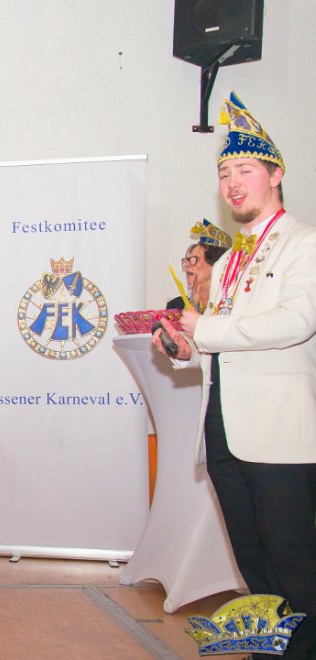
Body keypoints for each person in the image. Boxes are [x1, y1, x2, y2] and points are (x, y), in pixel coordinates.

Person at [154, 92, 316, 658]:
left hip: (278, 434)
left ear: (275, 175)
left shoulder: (304, 243)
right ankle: (270, 649)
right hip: (224, 430)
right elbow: (218, 342)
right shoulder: (230, 261)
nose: (232, 183)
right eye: (224, 174)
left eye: (244, 170)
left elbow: (297, 321)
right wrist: (184, 347)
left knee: (295, 565)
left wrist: (206, 328)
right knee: (254, 563)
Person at [166, 221, 230, 312]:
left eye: (194, 259)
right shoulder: (176, 306)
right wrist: (192, 303)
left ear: (215, 265)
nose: (187, 265)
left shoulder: (228, 308)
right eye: (186, 260)